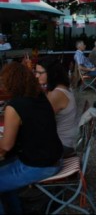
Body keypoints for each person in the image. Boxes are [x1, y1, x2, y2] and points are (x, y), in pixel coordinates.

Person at [0, 62, 63, 214]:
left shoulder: (14, 106)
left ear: (10, 83)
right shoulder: (40, 97)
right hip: (54, 157)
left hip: (40, 166)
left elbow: (6, 146)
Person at [35, 57, 78, 157]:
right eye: (35, 72)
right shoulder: (62, 87)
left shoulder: (56, 94)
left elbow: (39, 122)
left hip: (63, 145)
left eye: (40, 73)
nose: (36, 76)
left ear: (52, 73)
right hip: (69, 140)